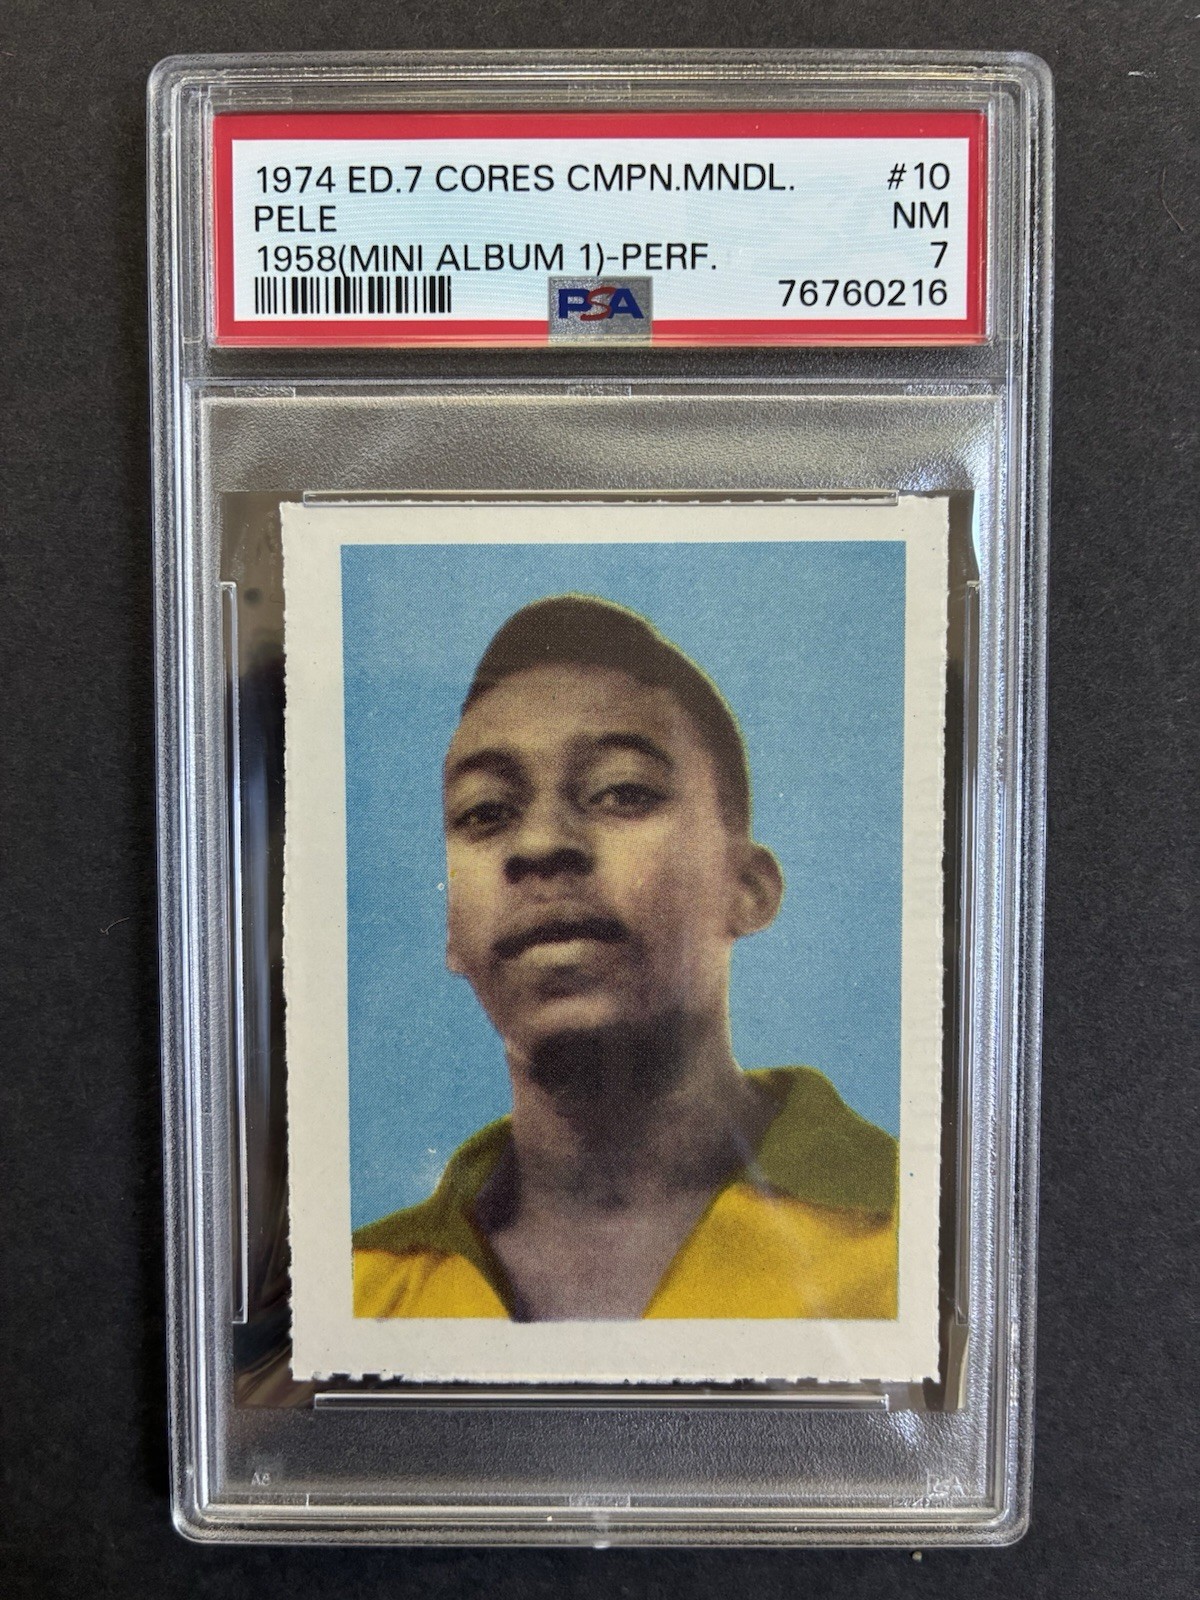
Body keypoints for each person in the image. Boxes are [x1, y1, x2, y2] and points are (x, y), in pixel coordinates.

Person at [353, 596, 898, 1321]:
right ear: (452, 929)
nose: (540, 844)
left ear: (747, 889)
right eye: (486, 812)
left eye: (620, 793)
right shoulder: (353, 1295)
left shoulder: (929, 1239)